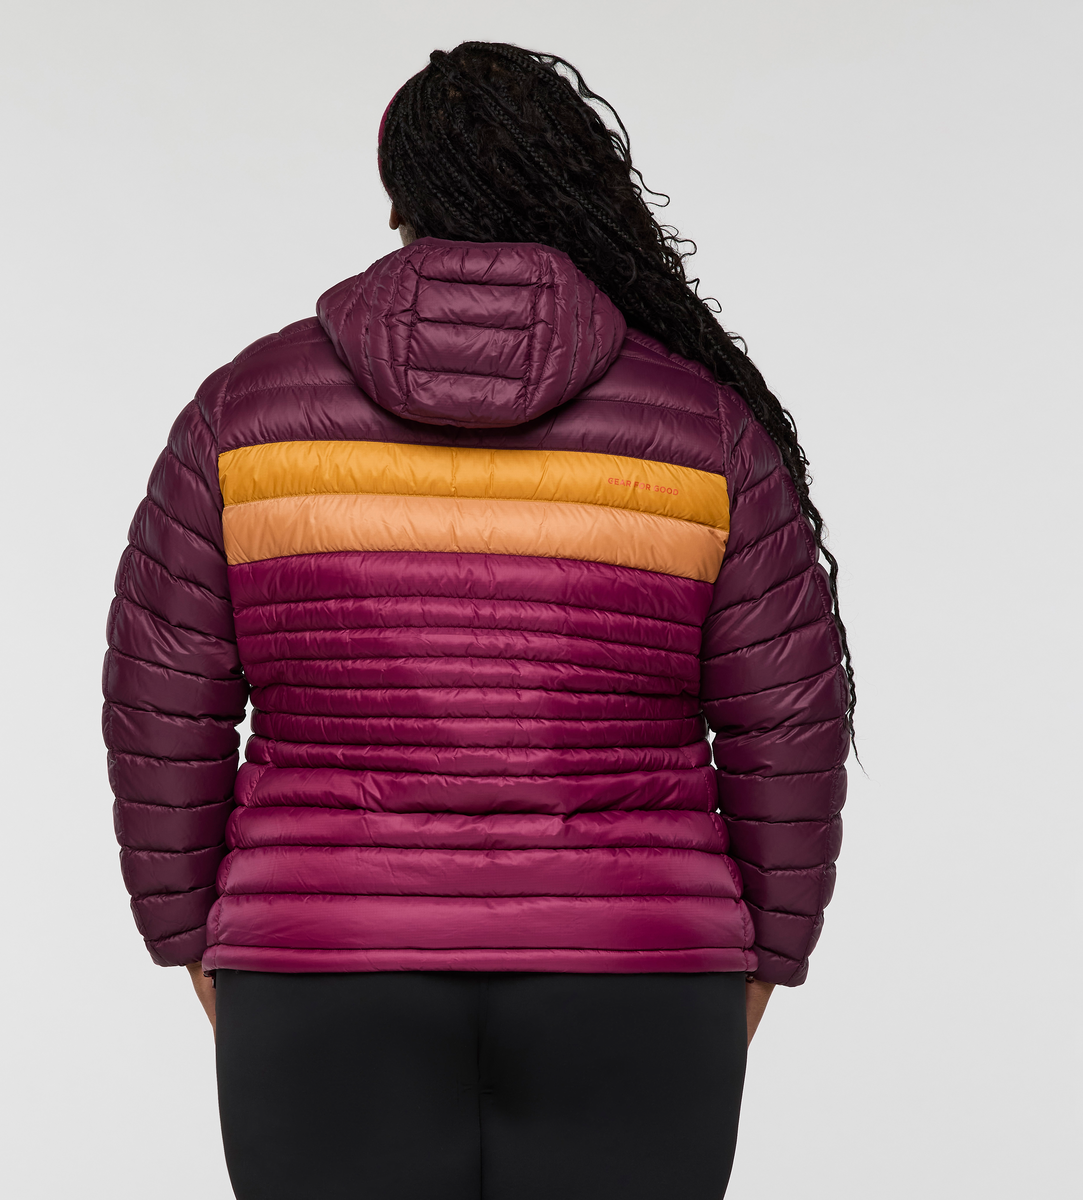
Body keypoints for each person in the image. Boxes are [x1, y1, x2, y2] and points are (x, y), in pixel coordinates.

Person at [102, 41, 852, 1200]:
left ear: (397, 200)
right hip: (636, 963)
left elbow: (163, 699)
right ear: (579, 189)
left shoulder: (243, 415)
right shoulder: (705, 428)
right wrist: (764, 953)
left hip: (323, 957)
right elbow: (788, 721)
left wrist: (196, 937)